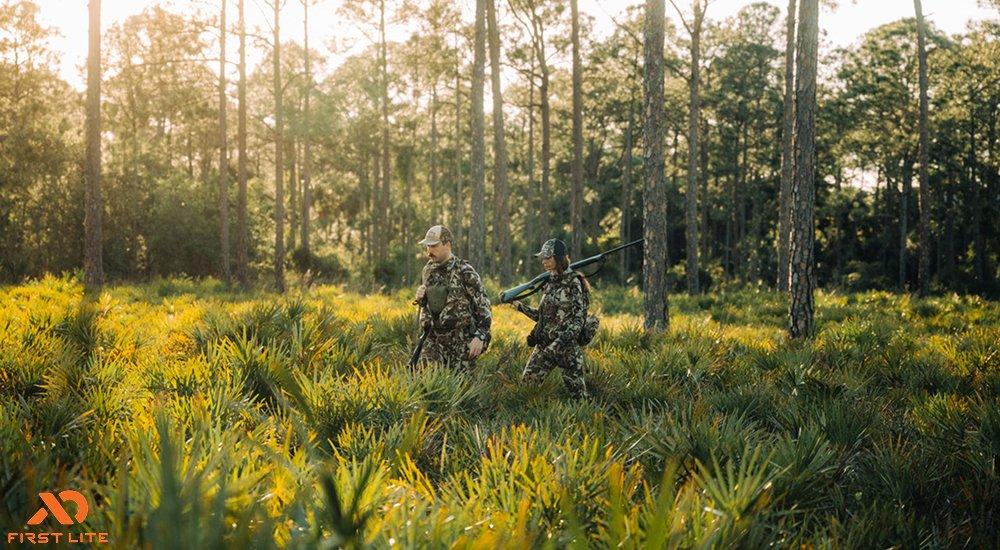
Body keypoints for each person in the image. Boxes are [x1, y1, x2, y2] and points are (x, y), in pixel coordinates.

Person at [511, 238, 591, 399]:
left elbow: (578, 321)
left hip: (566, 350)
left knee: (579, 398)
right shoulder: (549, 282)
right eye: (543, 258)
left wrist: (558, 344)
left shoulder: (573, 283)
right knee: (526, 387)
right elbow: (542, 318)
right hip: (544, 346)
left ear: (559, 258)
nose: (544, 261)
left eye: (548, 257)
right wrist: (520, 307)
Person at [414, 225, 492, 370]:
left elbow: (484, 306)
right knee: (426, 384)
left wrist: (481, 336)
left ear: (447, 245)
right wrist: (421, 298)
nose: (429, 251)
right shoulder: (428, 270)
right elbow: (430, 305)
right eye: (427, 246)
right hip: (433, 341)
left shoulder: (465, 271)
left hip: (460, 344)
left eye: (434, 246)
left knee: (463, 390)